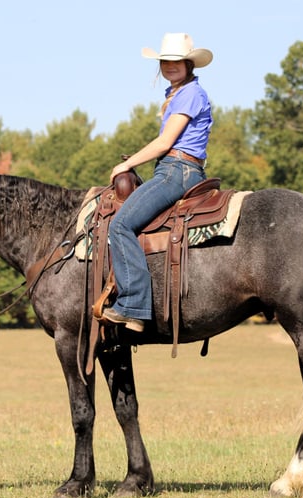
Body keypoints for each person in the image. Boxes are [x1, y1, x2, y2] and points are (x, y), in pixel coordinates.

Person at [102, 33, 214, 332]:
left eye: (176, 61)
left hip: (176, 170)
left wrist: (127, 164)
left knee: (120, 225)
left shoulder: (190, 94)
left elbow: (165, 142)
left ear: (189, 64)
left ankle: (132, 306)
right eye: (165, 61)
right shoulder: (179, 93)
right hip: (176, 168)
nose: (170, 66)